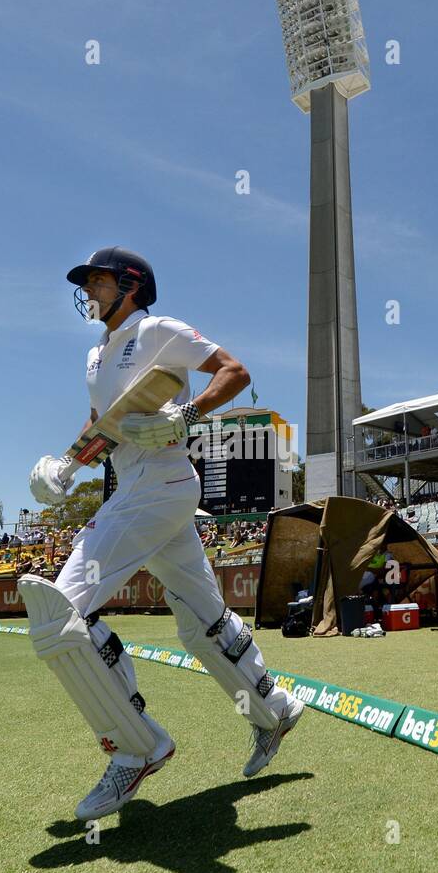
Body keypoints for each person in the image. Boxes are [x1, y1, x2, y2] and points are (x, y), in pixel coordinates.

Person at [21, 246, 304, 821]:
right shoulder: (97, 356)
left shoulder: (157, 331)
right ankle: (273, 709)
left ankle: (138, 747)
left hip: (163, 485)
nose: (89, 291)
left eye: (97, 281)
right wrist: (67, 466)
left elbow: (235, 371)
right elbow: (109, 424)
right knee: (202, 624)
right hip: (142, 490)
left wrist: (189, 413)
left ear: (130, 284)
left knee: (61, 616)